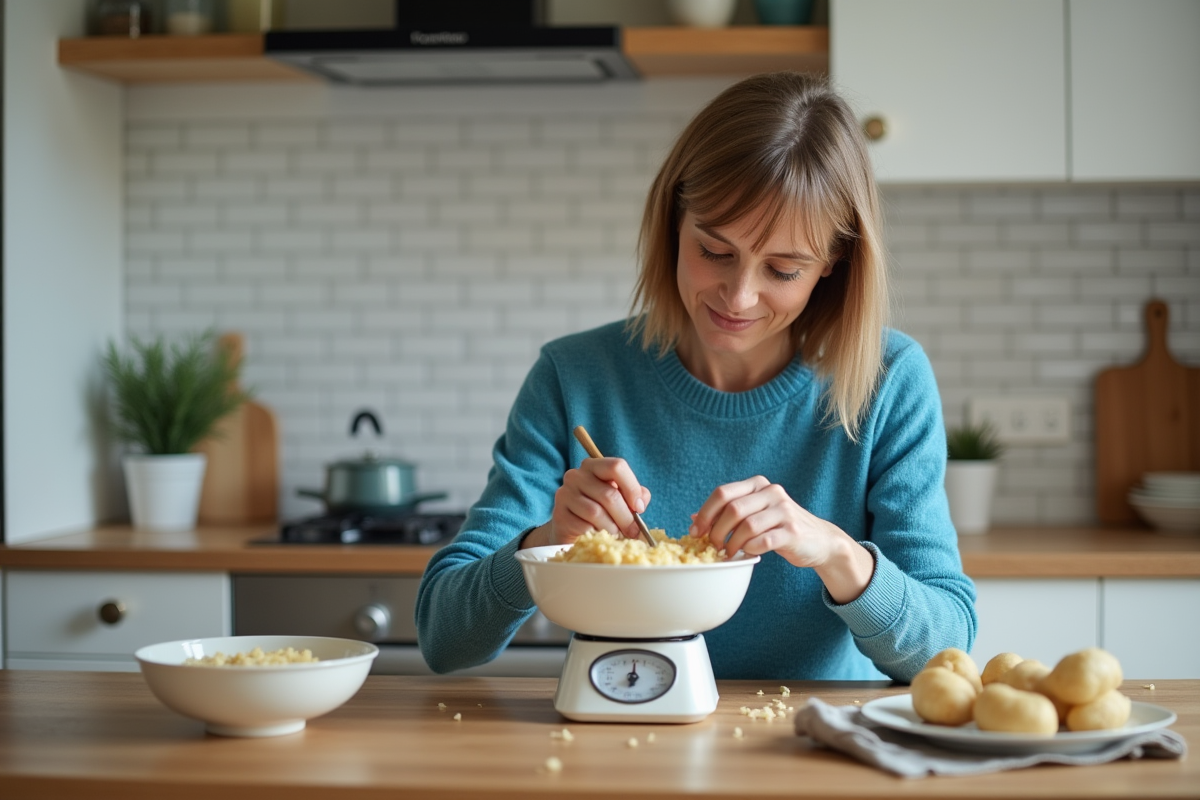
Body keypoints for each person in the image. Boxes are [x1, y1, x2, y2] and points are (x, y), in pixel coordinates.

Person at [415, 71, 976, 682]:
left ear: (832, 267)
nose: (738, 296)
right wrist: (544, 542)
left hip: (822, 759)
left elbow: (946, 650)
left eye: (783, 270)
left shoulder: (888, 381)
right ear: (673, 222)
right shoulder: (573, 377)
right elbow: (444, 638)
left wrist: (836, 553)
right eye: (715, 251)